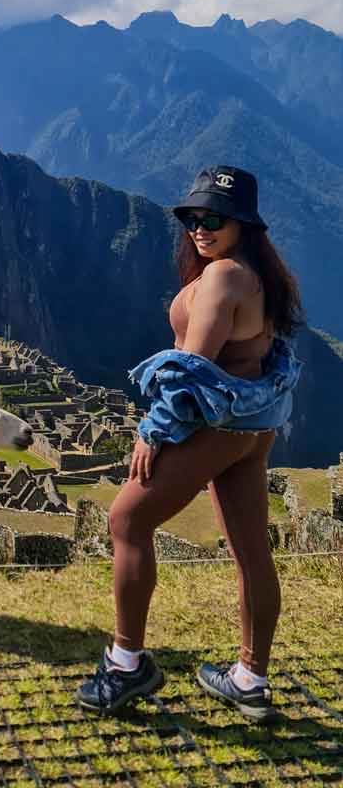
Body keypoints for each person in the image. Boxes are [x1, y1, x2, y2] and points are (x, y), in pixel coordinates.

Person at [76, 166, 303, 720]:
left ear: (243, 224)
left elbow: (192, 368)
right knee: (251, 552)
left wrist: (154, 431)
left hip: (214, 427)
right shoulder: (255, 275)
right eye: (193, 218)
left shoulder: (224, 276)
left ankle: (126, 666)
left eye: (214, 218)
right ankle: (249, 678)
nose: (201, 228)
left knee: (127, 521)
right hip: (251, 428)